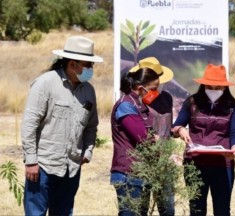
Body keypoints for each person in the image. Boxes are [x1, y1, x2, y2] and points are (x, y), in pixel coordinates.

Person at [21, 35, 103, 215]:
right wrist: (31, 161)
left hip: (71, 169)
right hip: (43, 166)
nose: (90, 69)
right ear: (73, 64)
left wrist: (87, 152)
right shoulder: (45, 83)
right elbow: (29, 124)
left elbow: (91, 126)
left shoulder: (88, 91)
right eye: (87, 65)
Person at [171, 64, 235, 216]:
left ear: (225, 87)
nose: (214, 90)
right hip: (195, 164)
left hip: (223, 165)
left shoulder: (233, 106)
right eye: (210, 86)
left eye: (218, 87)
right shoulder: (191, 102)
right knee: (196, 208)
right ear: (203, 85)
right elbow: (176, 126)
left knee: (222, 209)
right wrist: (180, 129)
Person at [110, 57, 174, 216]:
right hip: (129, 173)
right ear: (141, 87)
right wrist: (159, 142)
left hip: (143, 171)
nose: (156, 93)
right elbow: (143, 137)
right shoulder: (126, 105)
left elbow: (157, 130)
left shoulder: (140, 104)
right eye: (153, 88)